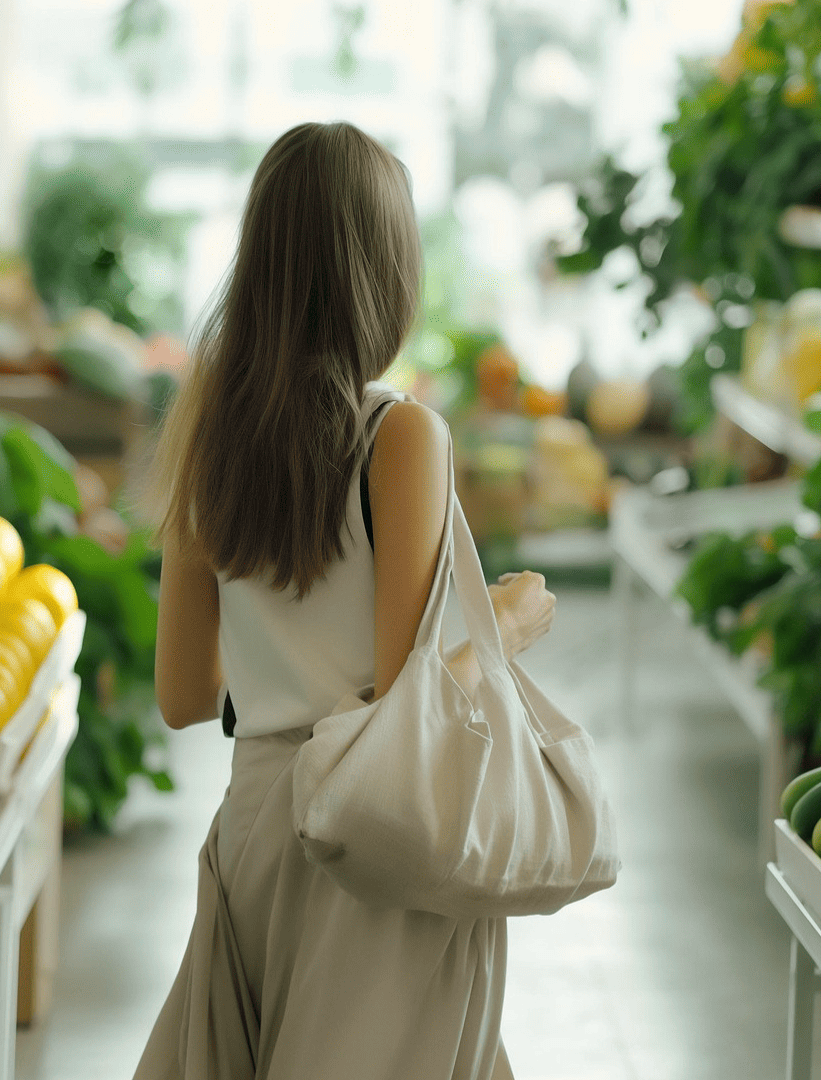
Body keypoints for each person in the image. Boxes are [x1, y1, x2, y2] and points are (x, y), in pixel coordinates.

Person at [136, 121, 558, 1080]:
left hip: (253, 826)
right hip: (365, 839)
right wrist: (512, 624)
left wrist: (275, 662)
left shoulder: (208, 432)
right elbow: (403, 708)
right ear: (386, 272)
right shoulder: (401, 436)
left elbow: (182, 696)